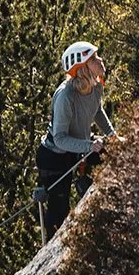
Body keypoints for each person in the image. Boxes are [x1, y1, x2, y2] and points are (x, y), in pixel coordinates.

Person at [35, 40, 116, 241]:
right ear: (82, 68)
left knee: (107, 159)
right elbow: (60, 138)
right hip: (54, 157)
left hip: (77, 147)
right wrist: (89, 145)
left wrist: (112, 136)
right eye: (94, 59)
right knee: (59, 211)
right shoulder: (65, 96)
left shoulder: (96, 85)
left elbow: (97, 111)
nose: (100, 61)